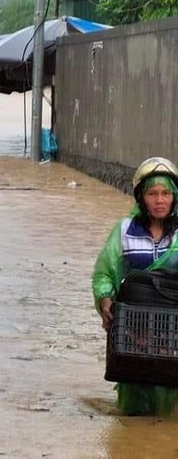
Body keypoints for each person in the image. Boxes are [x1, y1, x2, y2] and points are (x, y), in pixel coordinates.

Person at [93, 156, 178, 416]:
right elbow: (105, 273)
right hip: (135, 335)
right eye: (152, 193)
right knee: (133, 410)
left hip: (173, 335)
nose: (160, 200)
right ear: (141, 196)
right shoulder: (124, 231)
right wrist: (105, 299)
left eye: (166, 193)